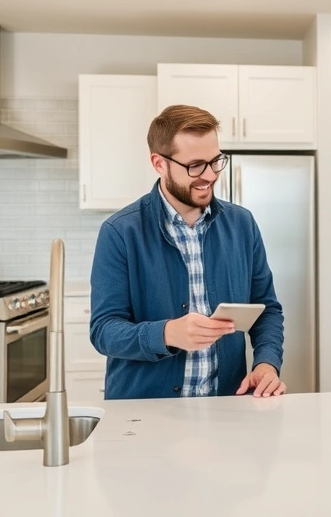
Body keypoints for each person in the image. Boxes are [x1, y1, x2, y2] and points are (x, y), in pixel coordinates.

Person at [89, 104, 286, 400]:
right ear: (159, 163)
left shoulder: (242, 224)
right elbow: (104, 330)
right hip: (146, 413)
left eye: (215, 161)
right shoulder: (119, 232)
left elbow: (266, 310)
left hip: (226, 409)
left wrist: (267, 364)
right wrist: (167, 333)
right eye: (195, 165)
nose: (209, 175)